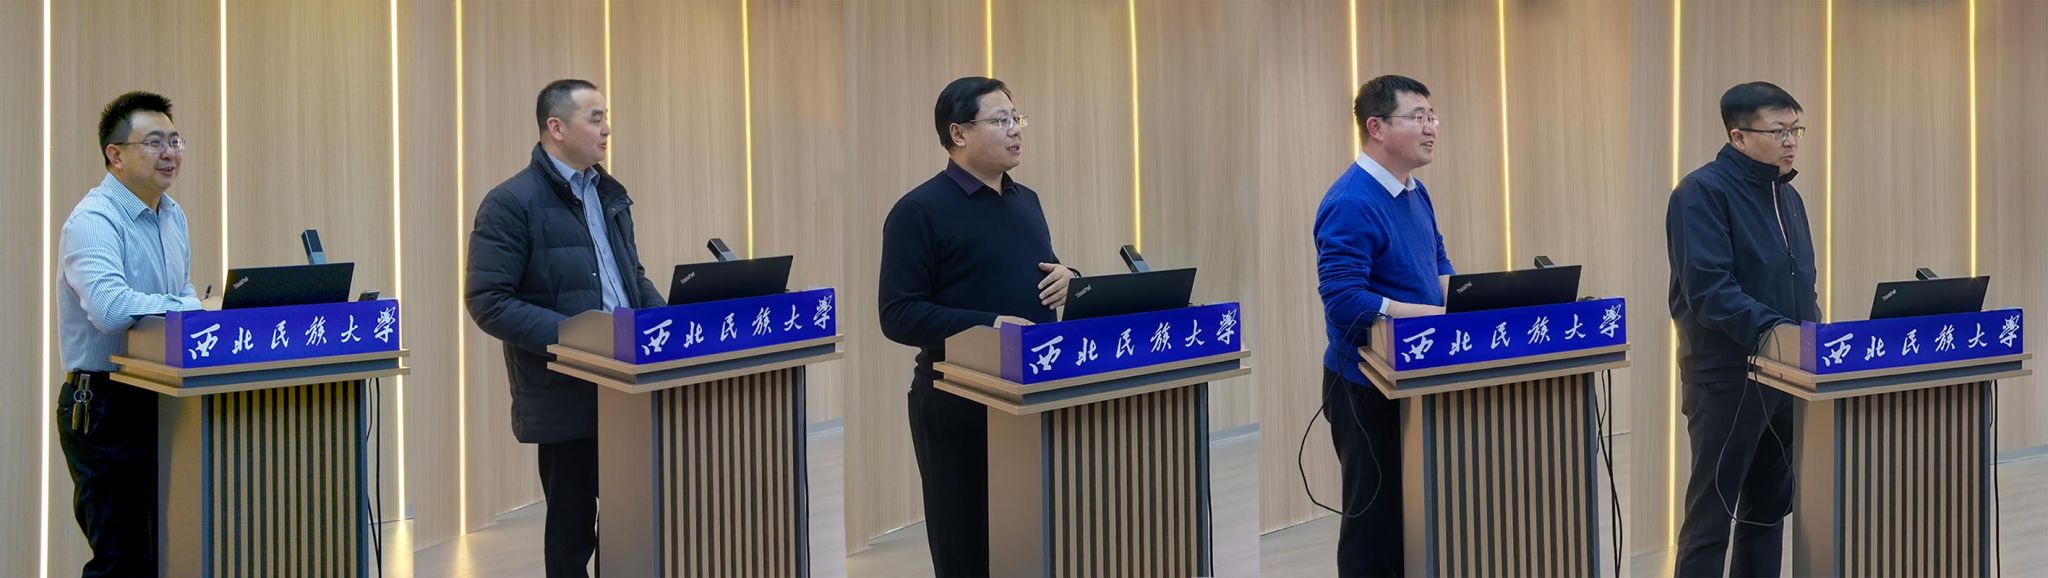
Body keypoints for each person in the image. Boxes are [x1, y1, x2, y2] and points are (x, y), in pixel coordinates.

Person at [877, 76, 1079, 577]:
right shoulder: (918, 211)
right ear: (959, 133)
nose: (1016, 129)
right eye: (1001, 120)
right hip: (956, 404)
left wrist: (1068, 277)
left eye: (1017, 118)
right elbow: (898, 313)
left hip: (1031, 395)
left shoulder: (1026, 200)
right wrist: (988, 325)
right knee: (966, 549)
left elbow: (1036, 274)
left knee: (1029, 544)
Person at [465, 79, 664, 578]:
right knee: (572, 532)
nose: (607, 129)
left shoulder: (609, 194)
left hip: (631, 384)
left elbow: (631, 277)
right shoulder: (510, 202)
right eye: (596, 118)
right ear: (556, 127)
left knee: (633, 519)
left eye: (606, 117)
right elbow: (489, 301)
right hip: (566, 388)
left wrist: (663, 323)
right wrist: (583, 337)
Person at [1665, 80, 1818, 578]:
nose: (1791, 141)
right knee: (1711, 517)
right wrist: (1781, 335)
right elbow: (1710, 290)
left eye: (1796, 129)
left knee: (1767, 511)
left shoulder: (1788, 198)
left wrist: (1810, 345)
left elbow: (1802, 286)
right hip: (1727, 379)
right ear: (1738, 137)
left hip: (1786, 377)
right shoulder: (1700, 193)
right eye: (1778, 131)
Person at [57, 90, 205, 577]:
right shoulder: (94, 220)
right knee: (120, 560)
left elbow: (181, 289)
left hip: (162, 395)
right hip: (103, 406)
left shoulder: (173, 215)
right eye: (155, 142)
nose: (170, 153)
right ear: (115, 155)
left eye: (175, 141)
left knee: (168, 549)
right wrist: (189, 308)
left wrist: (190, 306)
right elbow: (112, 309)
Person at [1312, 74, 1454, 577]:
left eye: (1432, 116)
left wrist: (1467, 307)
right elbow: (1344, 301)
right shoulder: (1351, 201)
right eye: (1417, 117)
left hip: (1419, 373)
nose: (1431, 127)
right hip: (1368, 386)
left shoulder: (1416, 192)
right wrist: (1436, 317)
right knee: (1375, 530)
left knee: (1415, 520)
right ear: (1376, 127)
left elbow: (1438, 266)